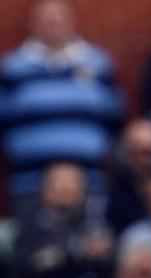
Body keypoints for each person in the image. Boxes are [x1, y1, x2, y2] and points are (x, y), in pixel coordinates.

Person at [0, 0, 123, 205]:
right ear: (33, 23)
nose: (53, 22)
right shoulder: (12, 67)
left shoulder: (98, 63)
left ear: (71, 21)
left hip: (90, 183)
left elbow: (115, 118)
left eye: (58, 17)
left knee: (91, 238)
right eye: (46, 19)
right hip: (29, 184)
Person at [8, 162, 113, 278]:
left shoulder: (97, 229)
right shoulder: (29, 233)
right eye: (61, 188)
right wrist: (73, 252)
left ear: (84, 192)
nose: (67, 194)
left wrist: (107, 254)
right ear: (45, 191)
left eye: (73, 188)